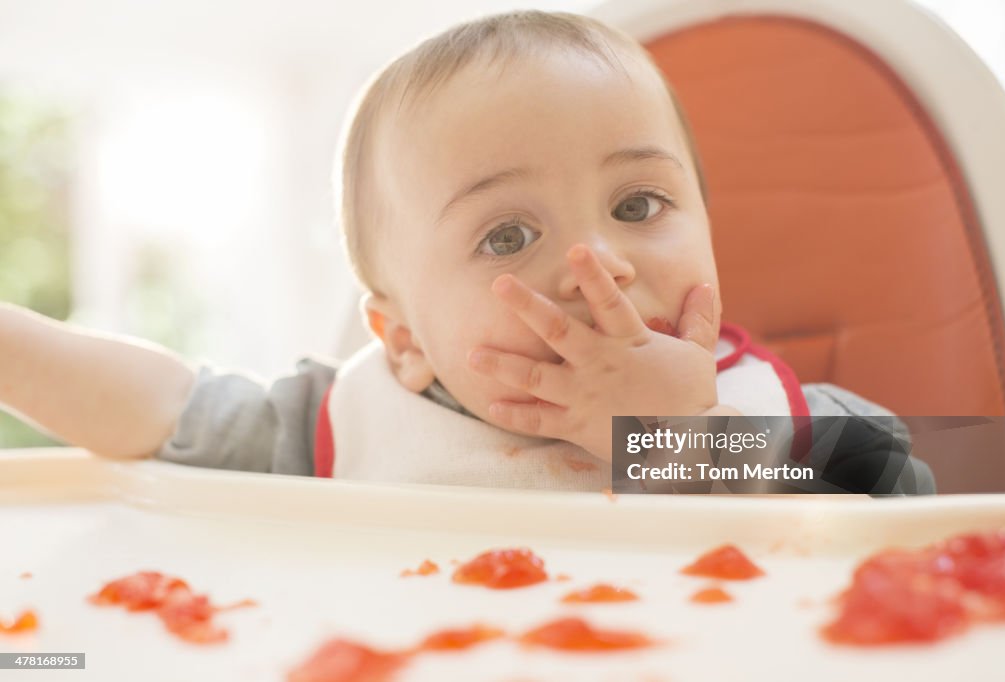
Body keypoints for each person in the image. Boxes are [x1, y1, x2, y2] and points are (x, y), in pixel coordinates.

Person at [0, 11, 934, 494]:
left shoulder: (790, 424)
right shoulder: (355, 428)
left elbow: (928, 501)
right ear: (402, 340)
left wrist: (687, 451)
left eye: (638, 203)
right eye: (508, 235)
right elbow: (167, 412)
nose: (595, 264)